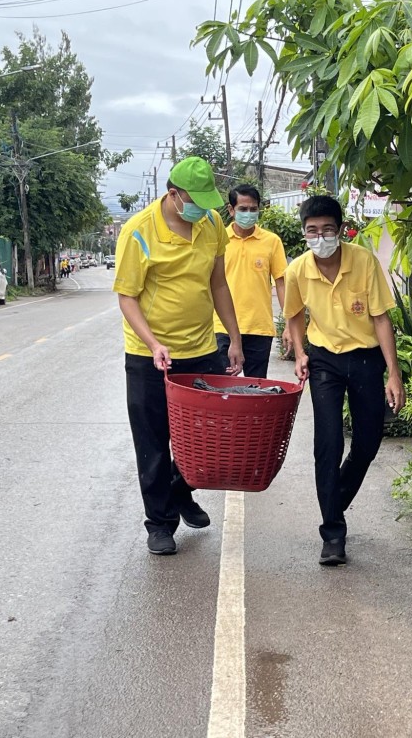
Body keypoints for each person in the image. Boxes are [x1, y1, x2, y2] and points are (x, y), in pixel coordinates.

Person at [113, 156, 244, 556]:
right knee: (153, 441)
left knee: (209, 439)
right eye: (196, 202)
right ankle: (160, 523)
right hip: (150, 355)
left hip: (201, 348)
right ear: (173, 195)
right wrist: (153, 343)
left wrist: (234, 338)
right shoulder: (138, 231)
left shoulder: (212, 224)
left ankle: (180, 489)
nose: (203, 210)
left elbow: (218, 284)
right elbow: (127, 297)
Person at [283, 195, 405, 566]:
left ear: (341, 230)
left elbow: (381, 318)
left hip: (365, 359)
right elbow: (294, 314)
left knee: (368, 442)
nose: (320, 237)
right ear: (304, 232)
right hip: (324, 361)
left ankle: (334, 500)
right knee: (328, 442)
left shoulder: (363, 261)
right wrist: (300, 353)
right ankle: (333, 533)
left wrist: (393, 374)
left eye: (327, 229)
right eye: (312, 231)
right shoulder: (297, 270)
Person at [214, 184, 292, 378]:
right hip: (221, 327)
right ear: (231, 210)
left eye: (253, 209)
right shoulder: (218, 239)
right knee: (223, 388)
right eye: (243, 209)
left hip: (259, 328)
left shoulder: (271, 241)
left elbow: (281, 283)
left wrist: (289, 324)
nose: (248, 214)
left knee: (255, 388)